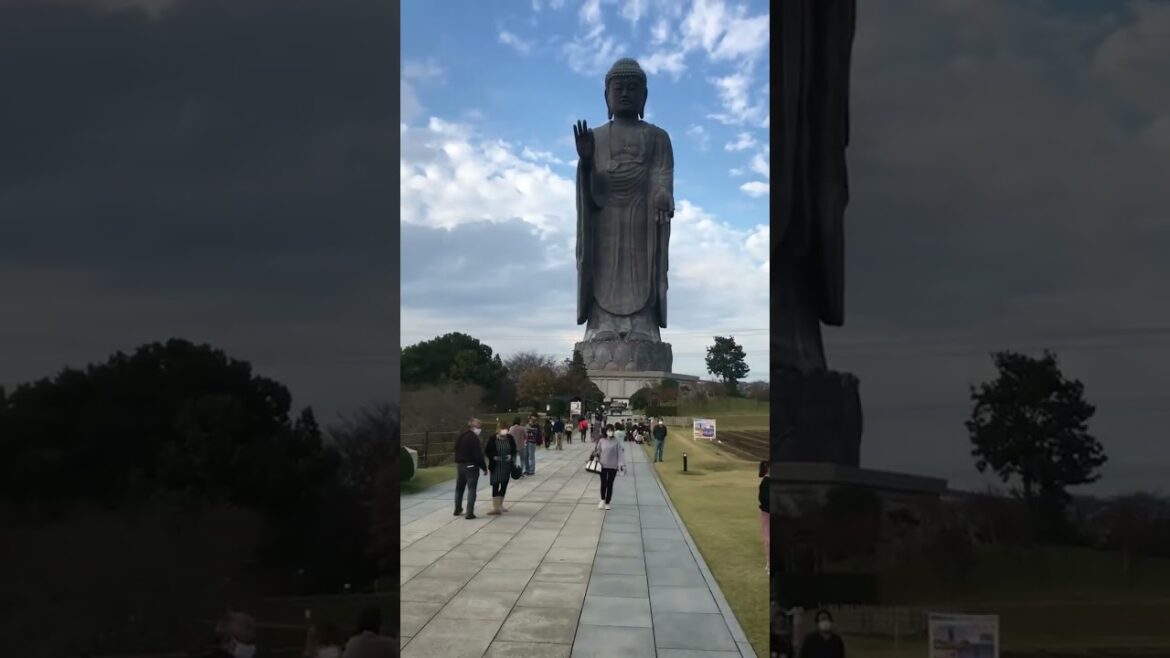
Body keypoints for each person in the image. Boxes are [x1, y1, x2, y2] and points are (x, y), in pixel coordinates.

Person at [453, 418, 488, 519]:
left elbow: (456, 448)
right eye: (478, 427)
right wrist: (484, 467)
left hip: (460, 465)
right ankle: (469, 512)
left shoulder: (461, 436)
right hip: (471, 466)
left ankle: (457, 508)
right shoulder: (474, 438)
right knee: (471, 489)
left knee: (459, 488)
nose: (479, 429)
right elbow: (478, 455)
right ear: (473, 427)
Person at [484, 423, 518, 514]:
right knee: (495, 485)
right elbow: (487, 451)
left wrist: (511, 456)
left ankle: (500, 505)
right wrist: (493, 457)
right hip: (496, 465)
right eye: (502, 429)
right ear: (498, 430)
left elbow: (514, 450)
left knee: (504, 485)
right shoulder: (493, 439)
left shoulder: (510, 438)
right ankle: (496, 507)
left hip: (506, 465)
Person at [593, 424, 626, 510]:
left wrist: (621, 465)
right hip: (603, 465)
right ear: (606, 431)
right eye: (609, 430)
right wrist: (596, 457)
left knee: (610, 484)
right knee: (603, 483)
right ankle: (602, 499)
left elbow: (620, 454)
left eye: (611, 430)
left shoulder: (616, 441)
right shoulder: (601, 440)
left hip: (613, 466)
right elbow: (598, 451)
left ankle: (607, 502)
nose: (610, 432)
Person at [759, 461, 771, 573]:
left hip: (766, 513)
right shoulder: (766, 481)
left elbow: (762, 498)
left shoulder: (765, 481)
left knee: (767, 538)